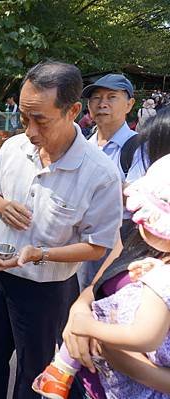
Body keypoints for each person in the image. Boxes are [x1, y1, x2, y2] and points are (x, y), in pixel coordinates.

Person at [0, 61, 123, 399]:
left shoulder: (100, 174)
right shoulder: (13, 148)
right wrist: (0, 205)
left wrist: (41, 254)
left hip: (46, 288)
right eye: (24, 118)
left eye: (40, 119)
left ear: (72, 111)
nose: (29, 131)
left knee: (34, 370)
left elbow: (97, 245)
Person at [51, 154, 170, 399]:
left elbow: (145, 336)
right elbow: (96, 286)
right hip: (96, 383)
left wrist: (92, 330)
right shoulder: (146, 249)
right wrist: (79, 310)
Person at [77, 73, 143, 289]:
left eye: (111, 97)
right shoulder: (83, 144)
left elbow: (137, 197)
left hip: (118, 238)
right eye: (96, 98)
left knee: (102, 295)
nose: (102, 104)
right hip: (79, 235)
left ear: (129, 104)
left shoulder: (138, 147)